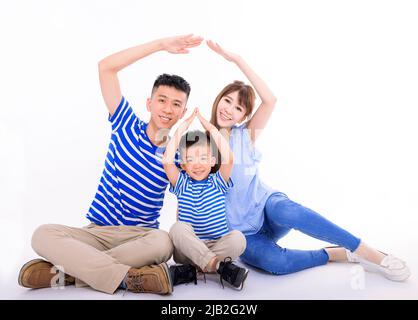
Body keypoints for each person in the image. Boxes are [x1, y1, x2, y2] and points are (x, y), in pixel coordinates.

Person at [205, 39, 411, 281]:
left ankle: (369, 252)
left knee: (288, 212)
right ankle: (334, 254)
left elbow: (270, 100)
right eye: (227, 101)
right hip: (242, 235)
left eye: (238, 108)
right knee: (274, 264)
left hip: (268, 210)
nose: (229, 110)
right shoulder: (199, 143)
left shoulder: (245, 136)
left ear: (245, 116)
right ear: (218, 99)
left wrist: (237, 59)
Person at [17, 34, 205, 295]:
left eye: (176, 104)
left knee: (164, 243)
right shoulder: (125, 123)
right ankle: (126, 276)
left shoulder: (177, 155)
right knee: (41, 234)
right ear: (149, 103)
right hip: (96, 233)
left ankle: (69, 274)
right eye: (162, 100)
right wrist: (161, 45)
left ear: (183, 113)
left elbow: (188, 198)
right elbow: (106, 67)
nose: (167, 108)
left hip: (140, 238)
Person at [163, 108, 249, 290]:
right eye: (191, 160)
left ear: (212, 161)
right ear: (184, 165)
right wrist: (183, 126)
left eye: (203, 158)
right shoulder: (182, 183)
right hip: (188, 249)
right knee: (177, 229)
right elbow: (167, 161)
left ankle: (193, 271)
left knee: (239, 239)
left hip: (218, 244)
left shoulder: (218, 181)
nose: (198, 164)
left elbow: (229, 158)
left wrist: (209, 127)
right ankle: (217, 267)